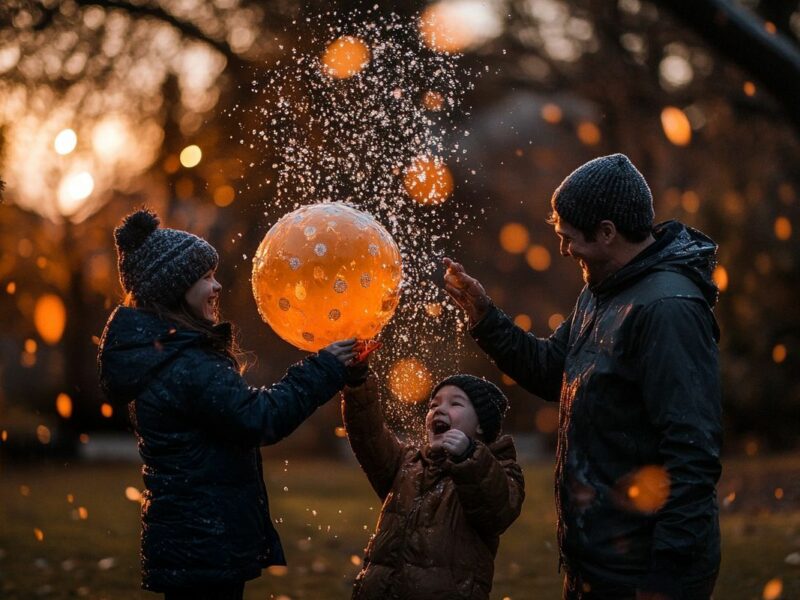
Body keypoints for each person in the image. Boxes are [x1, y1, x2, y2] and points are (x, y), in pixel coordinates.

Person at [443, 153, 722, 600]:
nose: (563, 249)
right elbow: (551, 371)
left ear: (607, 232)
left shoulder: (667, 310)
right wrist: (484, 316)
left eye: (568, 237)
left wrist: (665, 582)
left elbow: (693, 456)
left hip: (641, 572)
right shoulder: (601, 290)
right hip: (597, 561)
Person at [97, 209, 358, 599]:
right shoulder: (187, 364)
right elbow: (260, 418)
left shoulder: (168, 357)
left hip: (192, 539)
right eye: (205, 277)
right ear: (176, 288)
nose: (217, 286)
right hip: (204, 537)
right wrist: (325, 369)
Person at [340, 362, 525, 600]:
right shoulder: (406, 464)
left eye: (455, 403)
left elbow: (497, 509)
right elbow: (369, 436)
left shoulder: (498, 470)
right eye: (433, 405)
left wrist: (470, 457)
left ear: (481, 425)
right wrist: (358, 382)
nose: (438, 409)